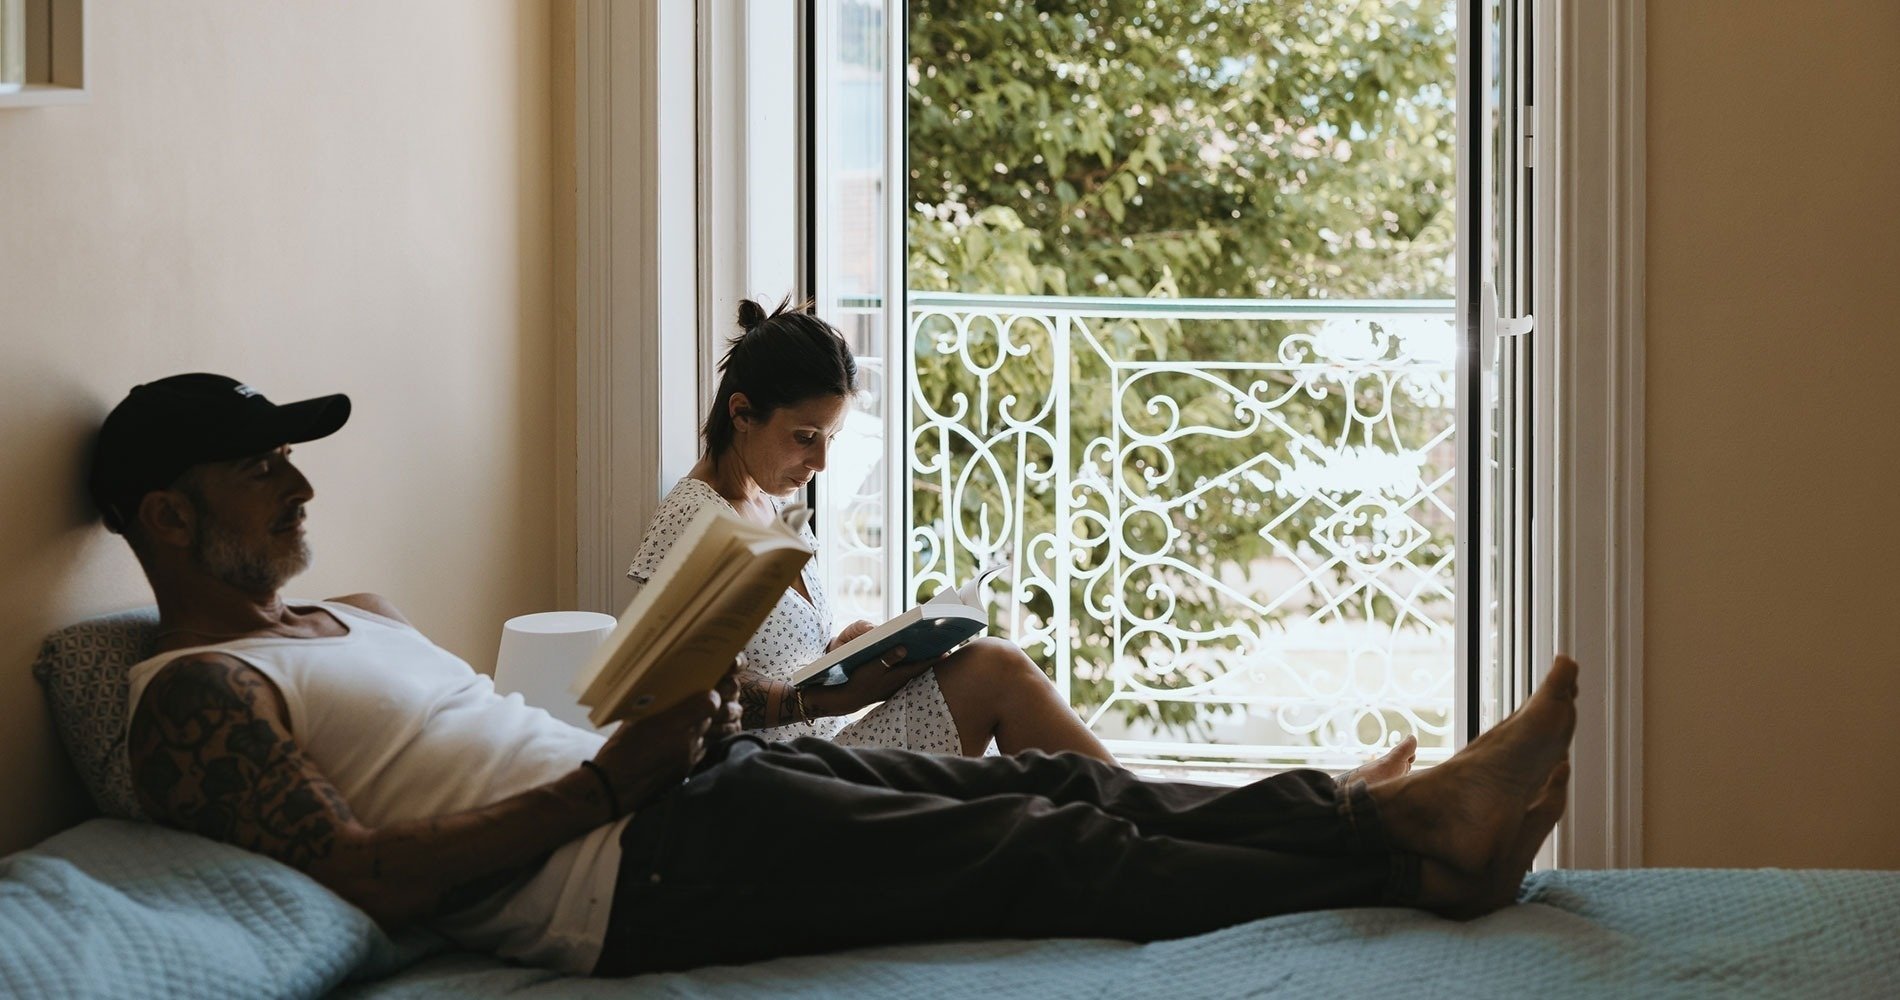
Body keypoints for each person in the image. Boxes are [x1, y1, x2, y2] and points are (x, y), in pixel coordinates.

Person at [100, 372, 1576, 978]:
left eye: (292, 458)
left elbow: (480, 743)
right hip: (630, 871)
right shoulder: (193, 700)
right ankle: (1409, 858)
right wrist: (607, 785)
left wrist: (681, 720)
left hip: (679, 790)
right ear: (168, 518)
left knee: (1053, 783)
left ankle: (1375, 814)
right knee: (1042, 844)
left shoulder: (345, 614)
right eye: (259, 468)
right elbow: (368, 876)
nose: (298, 485)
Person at [627, 296, 1122, 763]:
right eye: (805, 437)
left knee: (994, 668)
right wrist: (821, 700)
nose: (820, 461)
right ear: (741, 413)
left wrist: (842, 652)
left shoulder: (772, 503)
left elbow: (778, 656)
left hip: (824, 741)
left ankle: (1138, 809)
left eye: (831, 438)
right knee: (995, 669)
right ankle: (1146, 808)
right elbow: (692, 699)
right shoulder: (692, 525)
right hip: (773, 772)